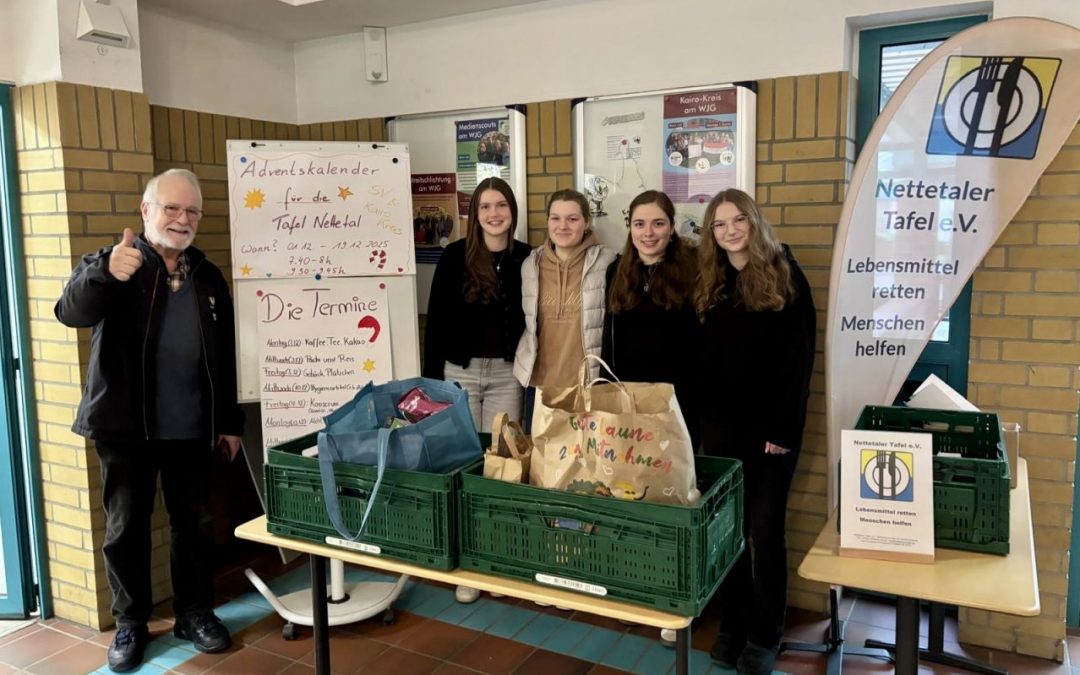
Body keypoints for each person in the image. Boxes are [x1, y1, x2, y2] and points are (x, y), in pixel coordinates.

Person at [54, 169, 244, 673]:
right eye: (171, 209)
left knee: (195, 527)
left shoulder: (205, 272)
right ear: (146, 210)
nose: (182, 220)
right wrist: (104, 272)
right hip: (124, 430)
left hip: (192, 429)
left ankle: (194, 613)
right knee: (126, 530)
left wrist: (229, 421)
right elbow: (68, 311)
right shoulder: (114, 263)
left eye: (192, 212)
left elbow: (224, 355)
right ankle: (131, 623)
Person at [695, 189, 816, 675]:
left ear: (754, 222)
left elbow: (799, 360)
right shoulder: (710, 280)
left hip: (771, 432)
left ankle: (766, 633)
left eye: (738, 219)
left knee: (764, 533)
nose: (730, 230)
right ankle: (733, 625)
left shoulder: (784, 273)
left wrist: (782, 428)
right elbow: (703, 359)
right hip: (722, 430)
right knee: (729, 534)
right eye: (719, 224)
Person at [422, 177, 531, 605]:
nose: (493, 214)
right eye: (484, 207)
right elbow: (437, 319)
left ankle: (495, 552)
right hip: (459, 374)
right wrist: (432, 381)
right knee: (463, 462)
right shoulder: (454, 256)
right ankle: (467, 561)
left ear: (512, 211)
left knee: (502, 465)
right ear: (474, 214)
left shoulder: (527, 257)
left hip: (508, 376)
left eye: (501, 205)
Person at [601, 189, 700, 449]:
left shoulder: (694, 270)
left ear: (671, 227)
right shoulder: (616, 271)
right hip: (627, 400)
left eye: (658, 223)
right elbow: (609, 338)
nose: (648, 233)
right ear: (630, 227)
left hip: (677, 403)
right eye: (639, 224)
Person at [514, 189, 616, 422]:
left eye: (572, 219)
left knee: (584, 457)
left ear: (586, 222)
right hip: (539, 386)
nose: (563, 226)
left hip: (587, 386)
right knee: (540, 454)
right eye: (555, 218)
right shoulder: (531, 264)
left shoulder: (607, 261)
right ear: (548, 221)